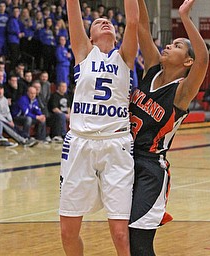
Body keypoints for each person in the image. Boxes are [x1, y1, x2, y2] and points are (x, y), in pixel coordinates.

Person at [128, 0, 209, 255]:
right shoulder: (152, 67)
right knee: (122, 237)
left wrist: (184, 15)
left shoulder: (181, 92)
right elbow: (141, 25)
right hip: (123, 160)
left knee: (139, 243)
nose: (167, 45)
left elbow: (203, 58)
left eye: (177, 46)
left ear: (187, 62)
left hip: (151, 168)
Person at [59, 0, 139, 255]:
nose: (105, 22)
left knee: (119, 233)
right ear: (90, 37)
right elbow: (73, 11)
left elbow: (134, 21)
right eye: (97, 22)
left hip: (117, 145)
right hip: (80, 144)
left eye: (110, 23)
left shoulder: (125, 56)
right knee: (67, 232)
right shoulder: (84, 52)